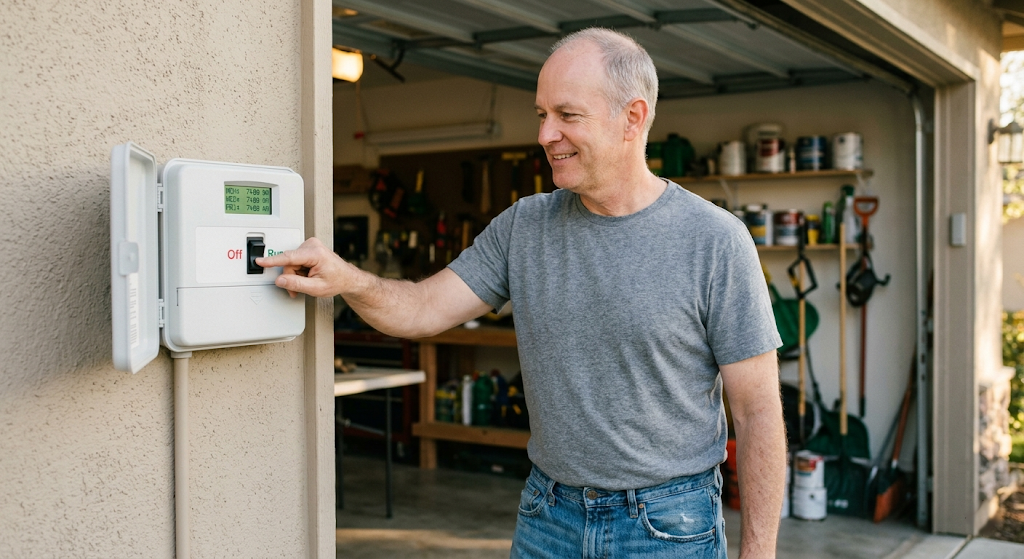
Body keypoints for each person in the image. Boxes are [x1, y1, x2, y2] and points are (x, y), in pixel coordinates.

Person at [259, 27, 786, 559]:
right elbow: (421, 310)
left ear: (633, 117)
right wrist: (348, 278)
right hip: (547, 516)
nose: (545, 134)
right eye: (541, 115)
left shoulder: (714, 240)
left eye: (567, 115)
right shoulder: (524, 226)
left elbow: (758, 412)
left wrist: (758, 554)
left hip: (667, 525)